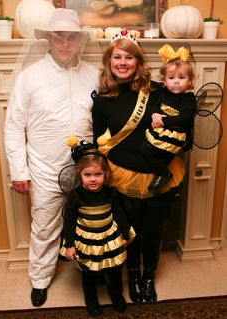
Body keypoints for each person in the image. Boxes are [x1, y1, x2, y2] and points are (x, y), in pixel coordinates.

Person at [4, 8, 99, 307]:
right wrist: (19, 170)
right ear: (49, 38)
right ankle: (40, 279)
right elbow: (14, 125)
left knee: (91, 222)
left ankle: (90, 276)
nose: (66, 43)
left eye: (72, 37)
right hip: (44, 169)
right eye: (60, 36)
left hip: (88, 170)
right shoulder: (30, 77)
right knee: (44, 226)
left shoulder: (93, 74)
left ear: (79, 40)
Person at [92, 30, 185, 304]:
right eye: (117, 57)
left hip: (159, 175)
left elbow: (180, 122)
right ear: (109, 61)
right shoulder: (102, 101)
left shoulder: (157, 91)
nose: (122, 62)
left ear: (138, 62)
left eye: (128, 57)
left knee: (154, 233)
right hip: (122, 178)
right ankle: (132, 276)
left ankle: (148, 277)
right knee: (129, 233)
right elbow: (101, 143)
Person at [59, 138, 135, 316]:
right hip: (87, 240)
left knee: (115, 270)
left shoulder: (111, 192)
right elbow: (69, 221)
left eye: (97, 175)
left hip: (109, 239)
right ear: (80, 175)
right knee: (89, 273)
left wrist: (125, 235)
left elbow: (119, 214)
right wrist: (69, 245)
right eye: (88, 175)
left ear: (105, 174)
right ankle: (91, 299)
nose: (93, 180)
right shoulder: (76, 195)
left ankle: (116, 294)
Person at [140, 43, 197, 192]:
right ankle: (162, 172)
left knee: (154, 150)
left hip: (176, 135)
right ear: (164, 81)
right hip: (161, 131)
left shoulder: (188, 99)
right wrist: (154, 115)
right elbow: (155, 107)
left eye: (181, 77)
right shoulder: (163, 94)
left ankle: (164, 173)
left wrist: (162, 120)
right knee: (144, 147)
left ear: (190, 81)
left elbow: (183, 119)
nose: (176, 81)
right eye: (171, 78)